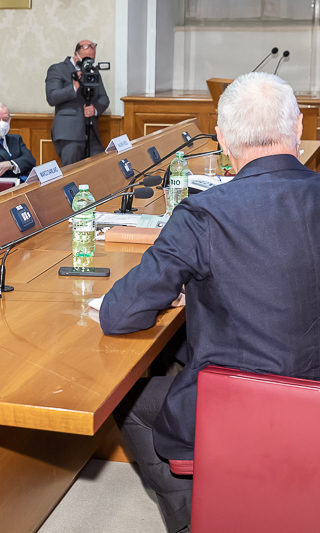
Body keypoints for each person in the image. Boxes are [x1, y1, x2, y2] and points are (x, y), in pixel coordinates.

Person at [102, 72, 320, 533]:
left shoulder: (204, 214)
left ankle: (196, 521)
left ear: (221, 139)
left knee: (130, 399)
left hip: (240, 413)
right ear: (299, 127)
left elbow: (120, 315)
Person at [45, 40, 110, 166]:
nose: (89, 63)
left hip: (91, 131)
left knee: (100, 167)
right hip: (69, 133)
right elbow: (52, 97)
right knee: (72, 171)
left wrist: (95, 109)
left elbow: (104, 98)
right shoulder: (58, 69)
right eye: (86, 59)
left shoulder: (93, 72)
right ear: (76, 54)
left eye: (92, 59)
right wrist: (73, 87)